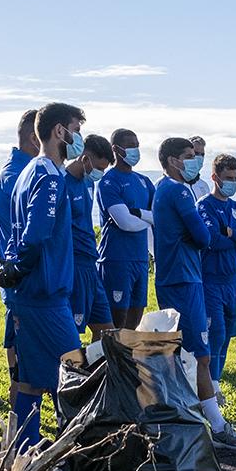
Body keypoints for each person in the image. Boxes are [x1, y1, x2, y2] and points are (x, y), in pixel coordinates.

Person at [153, 137, 236, 451]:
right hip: (185, 278)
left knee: (188, 353)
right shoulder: (179, 190)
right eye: (188, 156)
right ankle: (213, 425)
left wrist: (226, 234)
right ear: (172, 160)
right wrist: (218, 235)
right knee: (198, 353)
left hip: (182, 276)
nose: (193, 160)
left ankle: (186, 421)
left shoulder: (164, 190)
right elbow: (203, 236)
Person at [0, 102, 84, 454]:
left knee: (32, 381)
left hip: (28, 294)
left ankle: (26, 454)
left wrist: (14, 268)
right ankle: (72, 459)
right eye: (76, 128)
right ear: (60, 131)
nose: (79, 136)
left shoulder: (30, 172)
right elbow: (36, 234)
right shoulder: (49, 175)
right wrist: (21, 265)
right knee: (78, 376)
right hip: (45, 295)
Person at [198, 153, 236, 400]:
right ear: (215, 177)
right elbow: (212, 240)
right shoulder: (204, 205)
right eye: (228, 178)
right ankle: (211, 387)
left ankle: (216, 380)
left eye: (235, 178)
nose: (232, 182)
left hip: (232, 279)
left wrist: (231, 232)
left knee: (229, 335)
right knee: (216, 333)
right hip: (210, 278)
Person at [0, 110, 41, 394]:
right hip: (25, 283)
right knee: (24, 367)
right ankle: (21, 434)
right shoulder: (16, 176)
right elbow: (27, 237)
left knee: (30, 362)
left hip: (32, 282)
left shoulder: (27, 171)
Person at [96, 127, 156, 329]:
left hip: (140, 260)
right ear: (116, 149)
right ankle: (110, 360)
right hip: (116, 260)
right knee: (116, 321)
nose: (135, 150)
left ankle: (126, 359)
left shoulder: (144, 181)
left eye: (137, 146)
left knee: (135, 319)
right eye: (131, 146)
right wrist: (148, 218)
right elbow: (126, 223)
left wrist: (140, 214)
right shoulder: (108, 182)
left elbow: (160, 217)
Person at [65, 134, 116, 340]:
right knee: (72, 332)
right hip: (74, 265)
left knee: (106, 330)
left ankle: (96, 371)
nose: (100, 173)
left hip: (90, 263)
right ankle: (71, 371)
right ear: (85, 158)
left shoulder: (88, 183)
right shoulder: (63, 183)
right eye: (99, 168)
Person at [187, 135, 212, 200]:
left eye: (202, 155)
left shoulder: (204, 186)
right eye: (196, 153)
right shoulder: (173, 185)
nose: (200, 157)